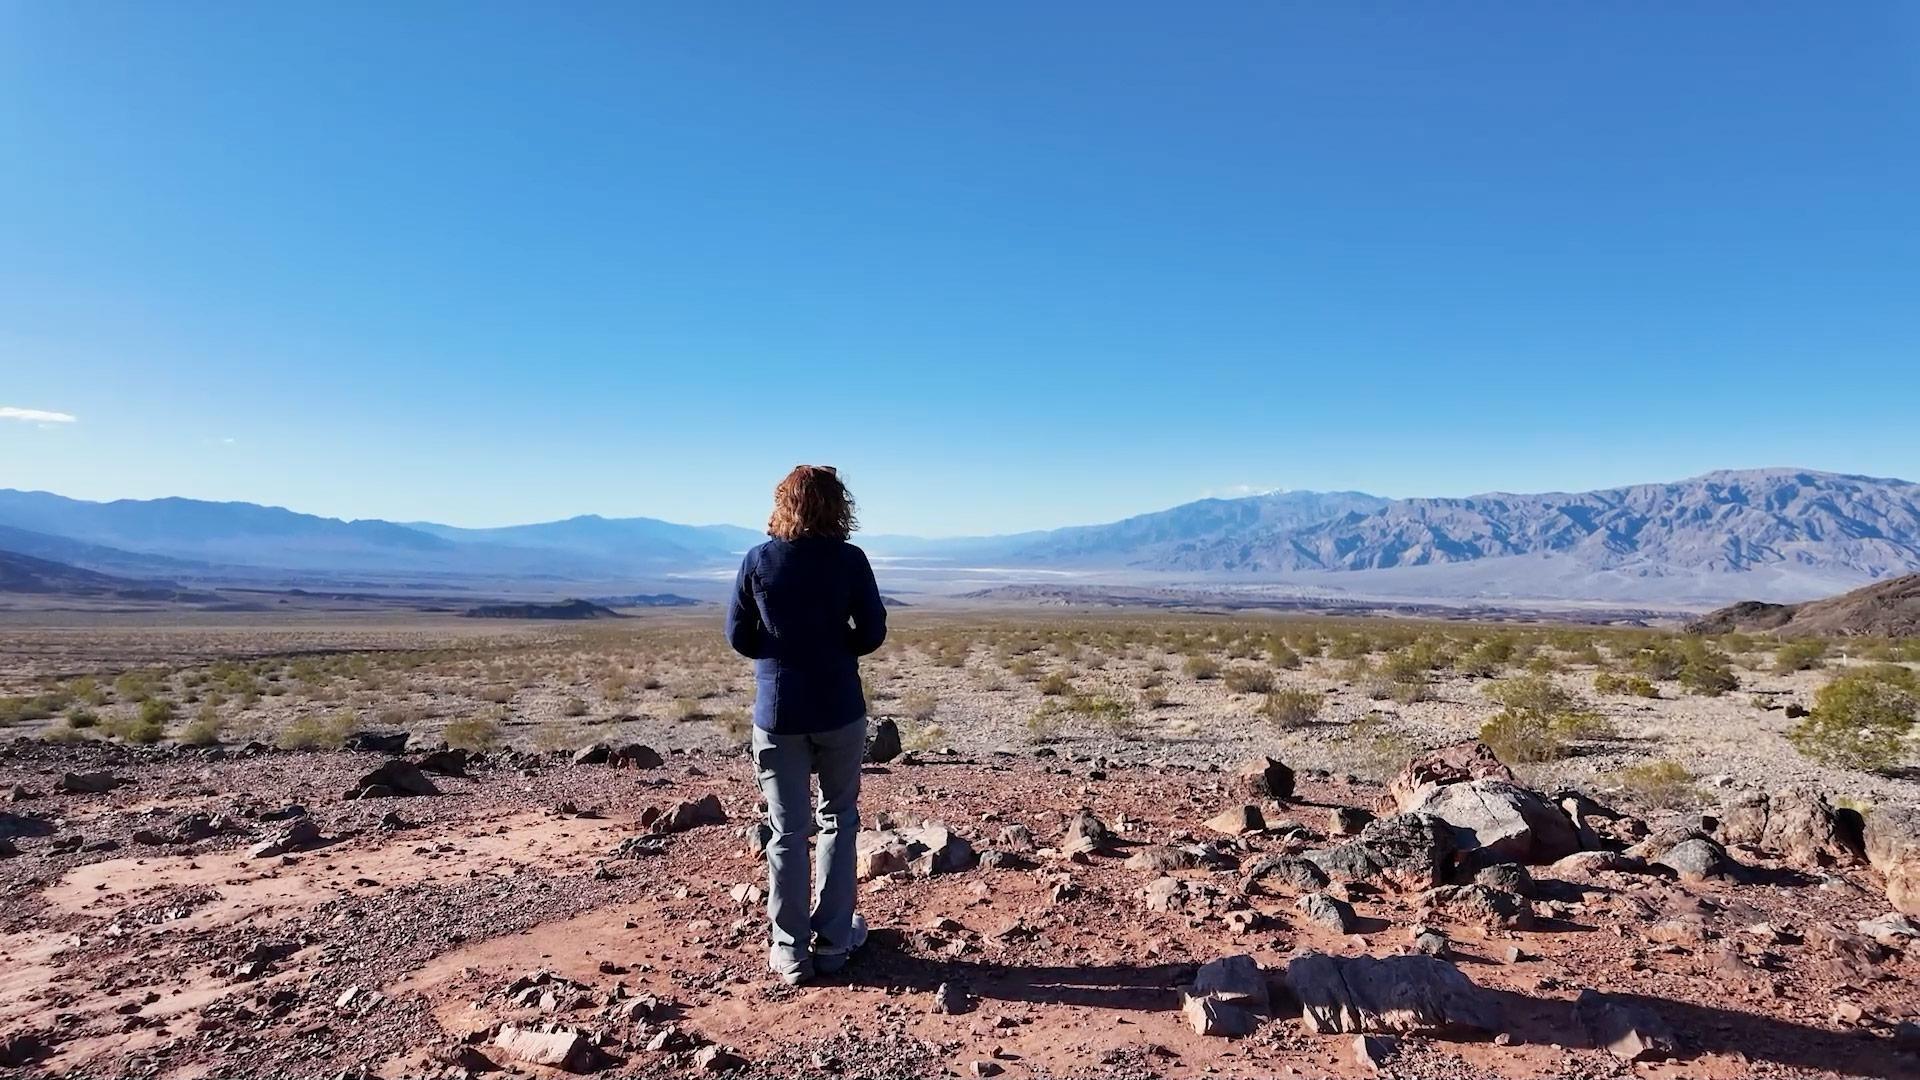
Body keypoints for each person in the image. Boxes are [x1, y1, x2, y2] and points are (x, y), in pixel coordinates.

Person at [725, 465, 887, 986]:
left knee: (787, 830)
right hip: (839, 706)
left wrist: (780, 655)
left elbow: (739, 635)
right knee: (839, 818)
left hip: (780, 711)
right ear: (838, 505)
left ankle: (791, 951)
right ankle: (835, 943)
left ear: (783, 504)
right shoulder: (850, 560)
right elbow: (873, 632)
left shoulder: (759, 560)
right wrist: (834, 650)